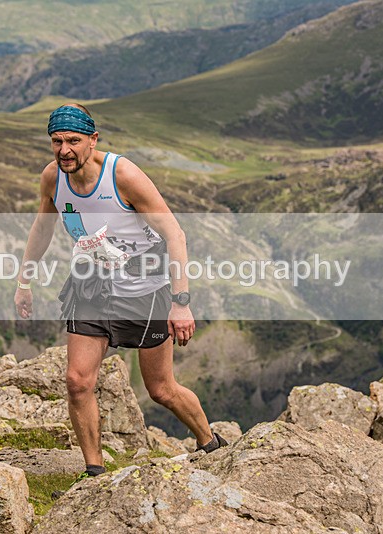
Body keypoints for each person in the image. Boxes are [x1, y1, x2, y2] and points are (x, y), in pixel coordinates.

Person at [14, 103, 226, 479]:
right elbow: (42, 229)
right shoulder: (52, 178)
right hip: (90, 285)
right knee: (77, 382)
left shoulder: (122, 175)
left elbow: (174, 233)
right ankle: (94, 473)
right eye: (56, 141)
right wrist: (24, 281)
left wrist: (181, 303)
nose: (64, 149)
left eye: (74, 141)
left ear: (93, 140)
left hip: (145, 289)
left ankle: (209, 443)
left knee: (161, 389)